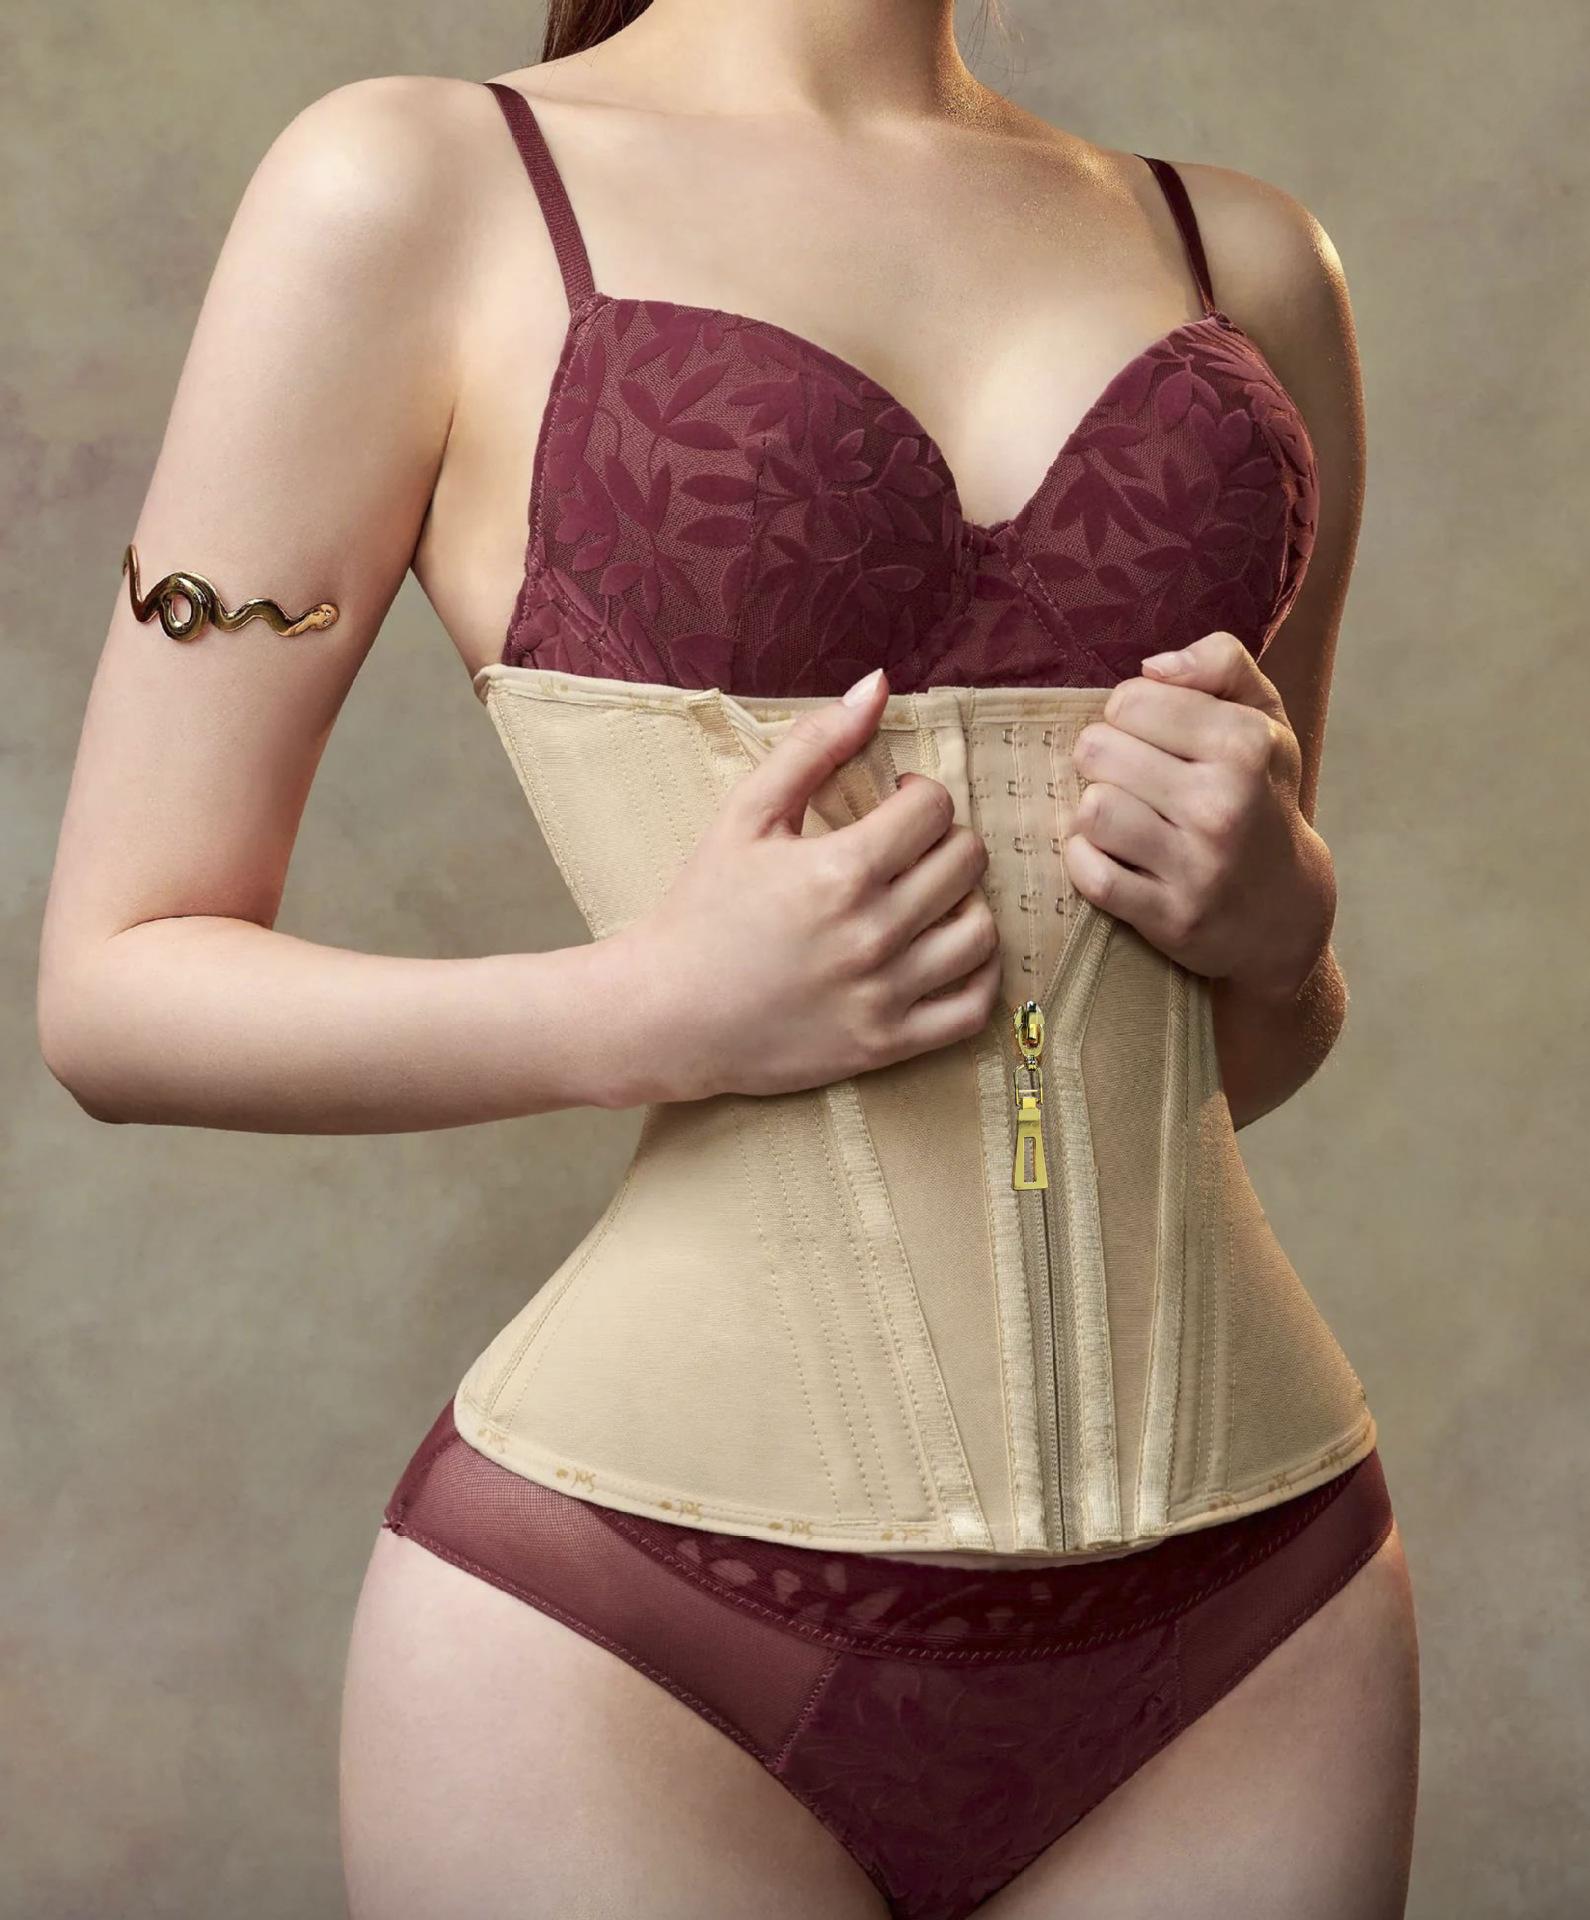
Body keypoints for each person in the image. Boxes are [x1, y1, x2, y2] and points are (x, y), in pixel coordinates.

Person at [36, 3, 1420, 1915]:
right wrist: (646, 1012)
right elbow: (113, 990)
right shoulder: (415, 186)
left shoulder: (1246, 258)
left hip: (1259, 1604)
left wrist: (1281, 936)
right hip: (629, 1629)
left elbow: (1223, 1063)